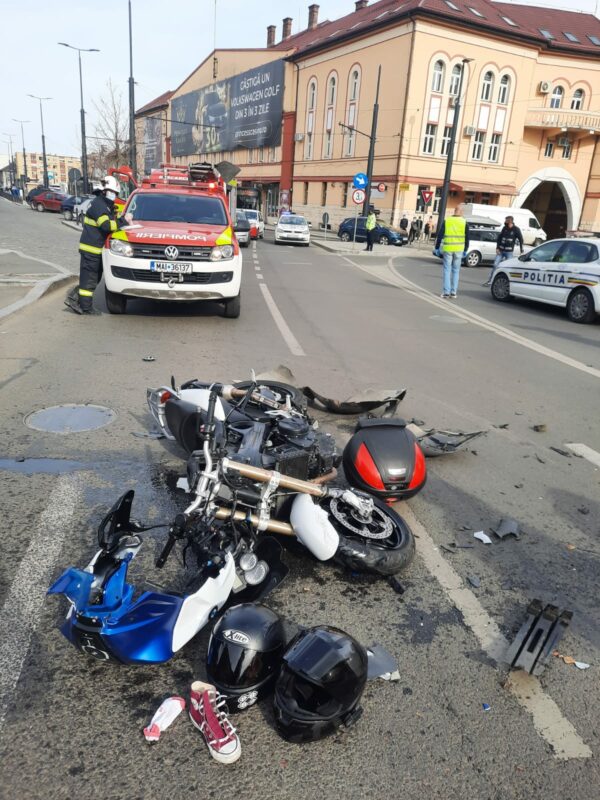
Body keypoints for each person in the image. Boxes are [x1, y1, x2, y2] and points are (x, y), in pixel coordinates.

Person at [65, 175, 131, 315]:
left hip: (96, 249)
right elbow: (106, 226)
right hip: (91, 250)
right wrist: (123, 221)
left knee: (94, 278)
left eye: (116, 194)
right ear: (105, 191)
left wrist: (118, 217)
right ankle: (85, 308)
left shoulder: (104, 205)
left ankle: (75, 298)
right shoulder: (99, 205)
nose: (115, 196)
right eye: (113, 193)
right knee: (89, 279)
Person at [434, 204, 470, 298]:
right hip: (459, 249)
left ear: (455, 211)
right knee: (456, 271)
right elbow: (467, 237)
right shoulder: (464, 222)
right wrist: (466, 249)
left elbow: (440, 235)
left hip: (448, 249)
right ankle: (453, 292)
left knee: (447, 270)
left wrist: (437, 247)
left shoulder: (447, 221)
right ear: (461, 212)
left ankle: (446, 292)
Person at [483, 215, 524, 286]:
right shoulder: (504, 228)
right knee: (495, 265)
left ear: (510, 221)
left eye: (506, 221)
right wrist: (497, 248)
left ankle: (508, 283)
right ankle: (490, 281)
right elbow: (499, 238)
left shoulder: (516, 229)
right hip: (501, 251)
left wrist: (521, 249)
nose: (504, 222)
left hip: (509, 252)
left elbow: (521, 239)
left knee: (509, 267)